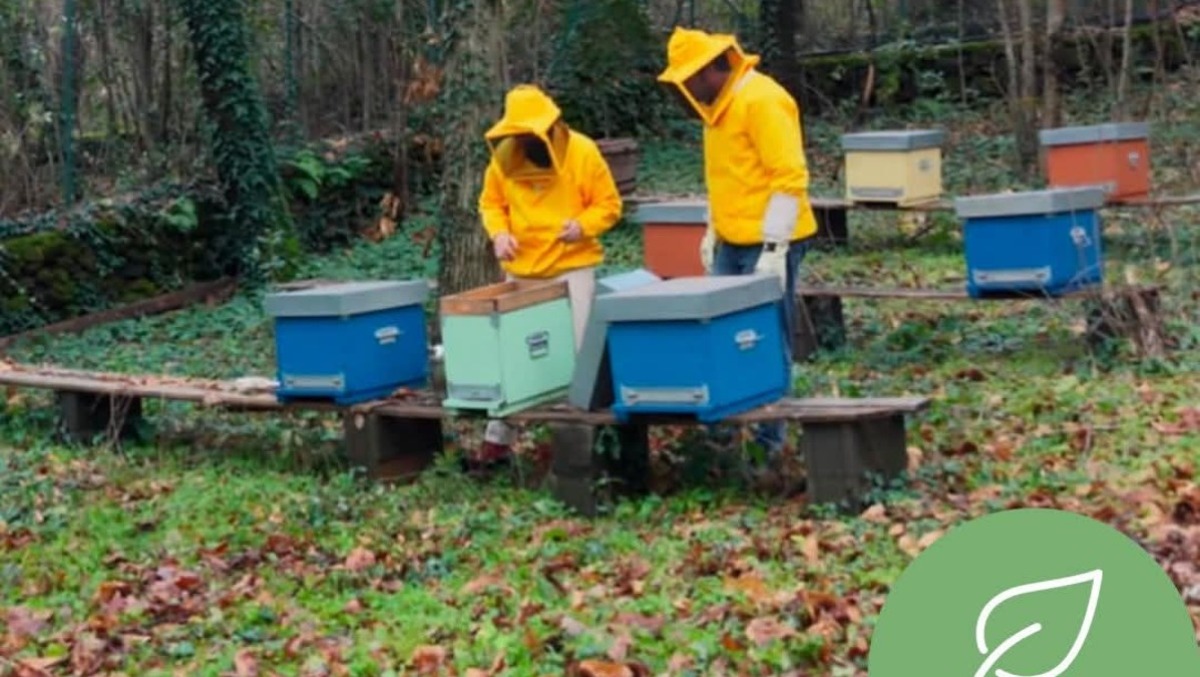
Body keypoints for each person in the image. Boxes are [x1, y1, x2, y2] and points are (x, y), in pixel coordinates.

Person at [657, 27, 817, 458]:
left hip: (772, 241)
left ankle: (770, 441)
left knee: (766, 335)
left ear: (713, 68)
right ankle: (724, 433)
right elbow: (725, 178)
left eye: (691, 78)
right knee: (720, 335)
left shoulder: (762, 99)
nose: (688, 89)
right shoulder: (718, 110)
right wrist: (713, 229)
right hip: (733, 240)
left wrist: (774, 246)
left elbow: (789, 174)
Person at [473, 84, 623, 467]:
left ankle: (577, 442)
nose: (527, 142)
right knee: (511, 361)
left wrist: (583, 226)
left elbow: (609, 204)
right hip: (522, 271)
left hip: (572, 269)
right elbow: (491, 203)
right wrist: (499, 234)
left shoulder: (583, 152)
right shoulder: (505, 158)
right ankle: (497, 444)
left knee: (575, 358)